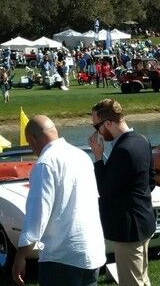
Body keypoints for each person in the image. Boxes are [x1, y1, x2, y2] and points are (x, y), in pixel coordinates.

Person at [13, 115, 106, 286]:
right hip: (91, 251)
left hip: (62, 256)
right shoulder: (82, 156)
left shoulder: (45, 164)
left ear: (33, 139)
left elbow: (37, 215)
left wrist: (21, 256)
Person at [88, 99, 156, 286]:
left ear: (108, 123)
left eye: (96, 126)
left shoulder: (123, 151)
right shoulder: (142, 140)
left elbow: (105, 190)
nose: (96, 132)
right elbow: (151, 181)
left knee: (131, 282)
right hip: (143, 221)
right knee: (141, 279)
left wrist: (98, 158)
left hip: (128, 229)